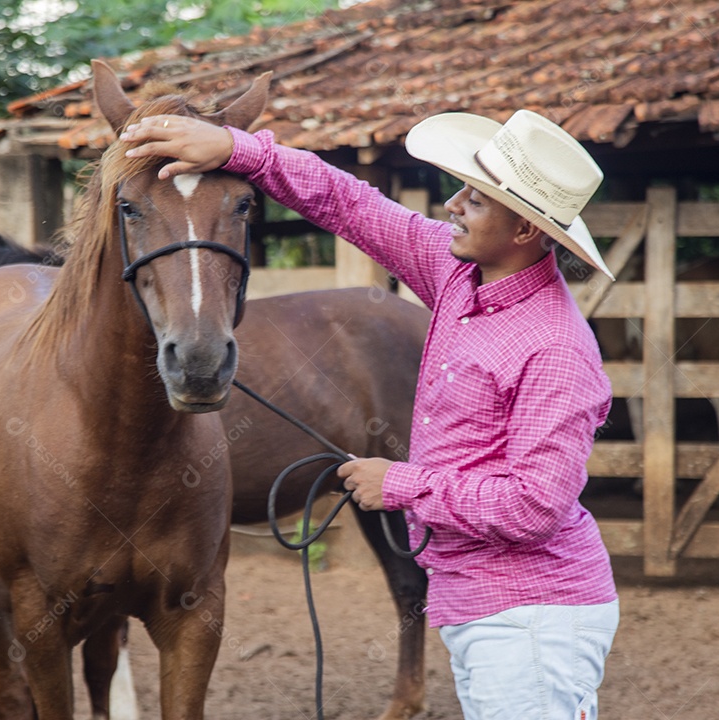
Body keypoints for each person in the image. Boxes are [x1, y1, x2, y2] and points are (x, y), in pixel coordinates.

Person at [121, 105, 619, 719]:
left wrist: (401, 484)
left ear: (523, 230)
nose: (453, 206)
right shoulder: (459, 274)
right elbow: (350, 204)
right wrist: (235, 148)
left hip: (533, 617)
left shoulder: (556, 348)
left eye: (475, 200)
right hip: (482, 606)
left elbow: (535, 506)